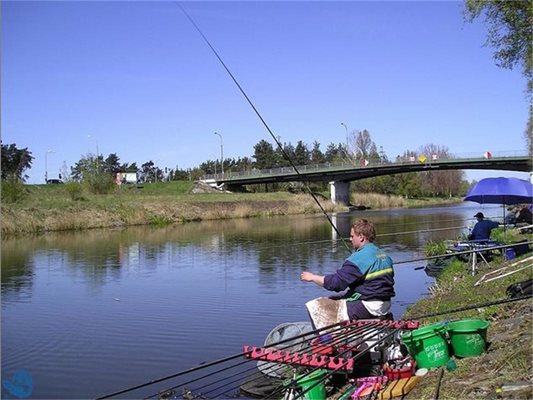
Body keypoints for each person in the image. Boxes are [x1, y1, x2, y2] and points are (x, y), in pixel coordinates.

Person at [300, 219, 395, 320]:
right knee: (335, 298)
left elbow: (336, 284)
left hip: (367, 306)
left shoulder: (360, 258)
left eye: (352, 236)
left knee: (316, 306)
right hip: (384, 304)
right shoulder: (384, 256)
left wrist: (312, 277)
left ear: (361, 237)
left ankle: (327, 336)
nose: (350, 239)